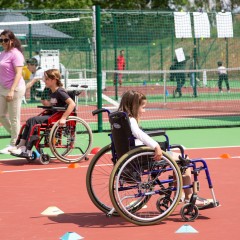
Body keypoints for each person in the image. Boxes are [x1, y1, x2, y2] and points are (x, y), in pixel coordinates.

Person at [118, 90, 215, 208]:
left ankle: (179, 196)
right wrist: (156, 146)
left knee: (177, 161)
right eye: (143, 107)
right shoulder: (131, 120)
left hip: (135, 153)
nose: (144, 110)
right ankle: (188, 197)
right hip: (143, 155)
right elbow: (139, 134)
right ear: (134, 106)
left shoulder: (121, 119)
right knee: (184, 160)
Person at [10, 69, 76, 158]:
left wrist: (64, 118)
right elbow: (53, 104)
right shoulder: (50, 91)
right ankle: (21, 146)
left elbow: (72, 104)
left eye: (47, 79)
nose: (45, 81)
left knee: (34, 121)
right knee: (30, 120)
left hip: (57, 117)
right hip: (52, 114)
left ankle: (27, 149)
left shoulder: (60, 91)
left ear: (54, 80)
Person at [0, 29, 26, 154]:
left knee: (14, 118)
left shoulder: (16, 54)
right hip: (3, 88)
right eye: (1, 40)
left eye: (6, 40)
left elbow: (19, 73)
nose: (3, 42)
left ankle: (14, 143)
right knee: (1, 115)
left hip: (15, 89)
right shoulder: (3, 53)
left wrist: (11, 90)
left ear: (12, 40)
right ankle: (20, 138)